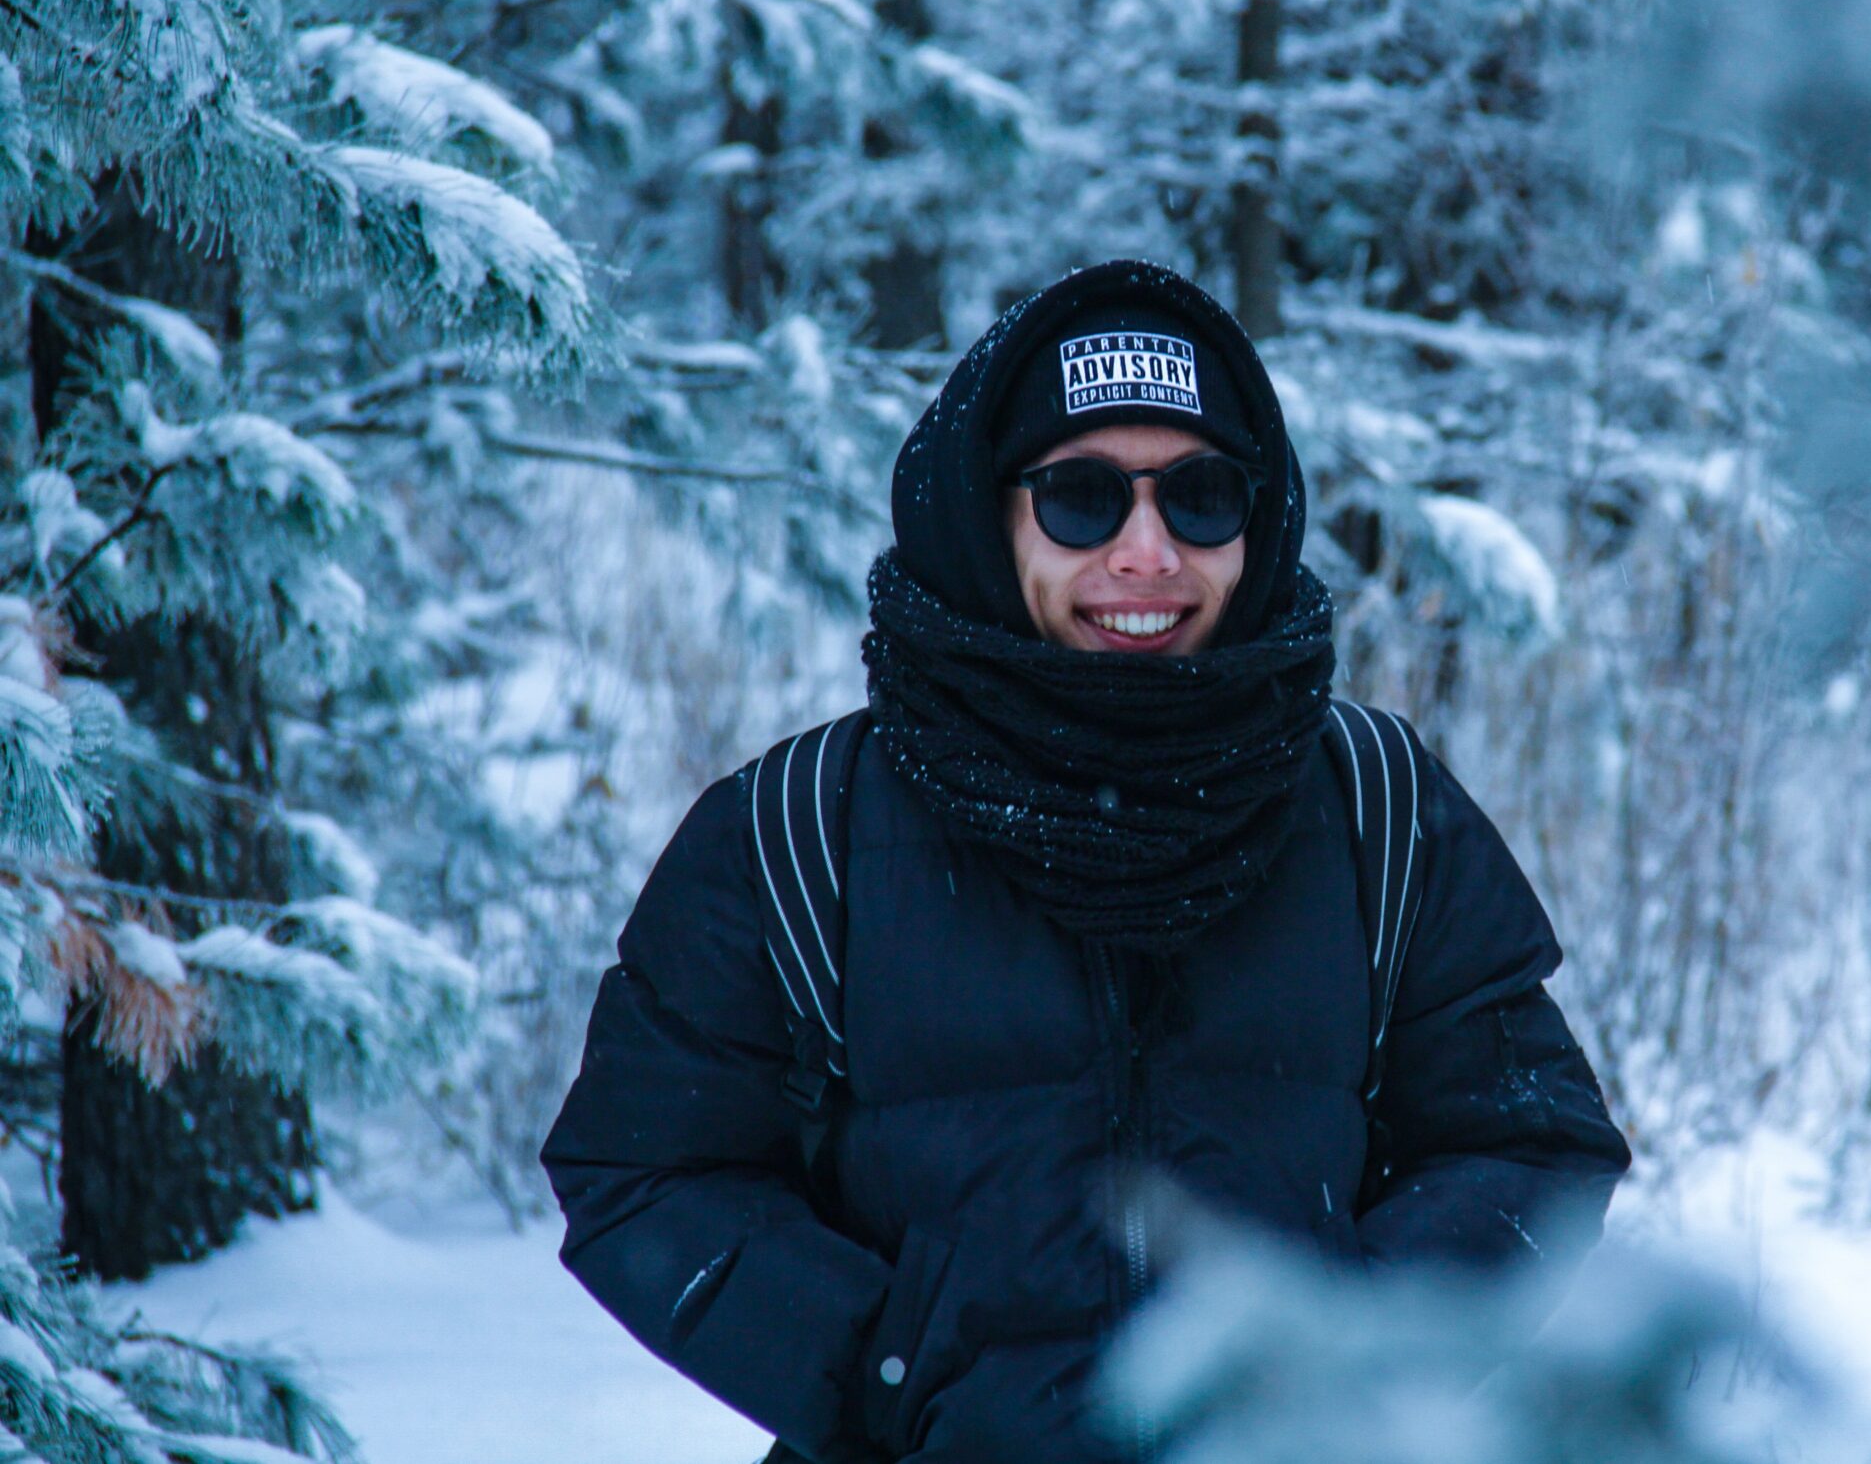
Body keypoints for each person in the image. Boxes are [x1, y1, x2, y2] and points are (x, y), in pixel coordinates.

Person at [541, 260, 1630, 1463]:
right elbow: (643, 1168)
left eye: (1203, 497)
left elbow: (1531, 1142)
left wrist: (1339, 1362)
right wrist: (891, 1370)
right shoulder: (803, 826)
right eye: (1081, 499)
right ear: (987, 516)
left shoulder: (1375, 805)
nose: (1149, 553)